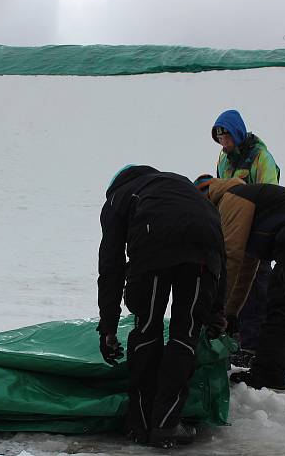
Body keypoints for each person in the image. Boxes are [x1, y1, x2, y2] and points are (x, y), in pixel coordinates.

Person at [97, 165, 226, 448]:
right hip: (204, 251)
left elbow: (111, 265)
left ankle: (140, 425)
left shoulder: (119, 196)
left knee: (147, 327)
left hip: (153, 242)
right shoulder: (184, 189)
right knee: (185, 333)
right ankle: (166, 425)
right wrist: (217, 310)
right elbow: (220, 249)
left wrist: (108, 327)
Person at [195, 176, 285, 390]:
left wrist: (216, 310)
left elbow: (231, 258)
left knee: (280, 307)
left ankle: (268, 376)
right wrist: (231, 312)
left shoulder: (232, 198)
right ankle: (274, 372)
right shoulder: (252, 200)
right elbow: (246, 269)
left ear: (206, 195)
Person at [211, 109, 280, 369]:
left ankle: (254, 345)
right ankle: (236, 341)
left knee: (257, 289)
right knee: (231, 287)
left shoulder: (261, 157)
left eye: (226, 136)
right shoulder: (223, 159)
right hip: (233, 232)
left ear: (236, 132)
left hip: (257, 231)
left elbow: (270, 194)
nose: (223, 142)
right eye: (219, 137)